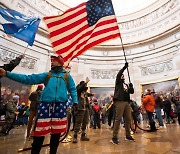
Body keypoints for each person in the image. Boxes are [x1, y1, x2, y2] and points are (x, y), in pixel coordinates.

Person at [0, 55, 78, 154]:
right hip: (45, 105)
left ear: (60, 62)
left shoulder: (67, 76)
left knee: (56, 135)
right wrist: (7, 74)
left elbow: (73, 89)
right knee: (39, 134)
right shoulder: (47, 75)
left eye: (54, 61)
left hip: (60, 106)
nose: (52, 63)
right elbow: (28, 79)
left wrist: (75, 102)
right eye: (51, 61)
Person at [111, 62, 135, 145]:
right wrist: (125, 67)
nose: (123, 75)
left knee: (128, 119)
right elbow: (119, 74)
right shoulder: (118, 83)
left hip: (126, 102)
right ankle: (114, 137)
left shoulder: (126, 84)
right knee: (118, 119)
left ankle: (128, 135)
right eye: (122, 75)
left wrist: (131, 87)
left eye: (123, 75)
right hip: (119, 102)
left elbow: (131, 92)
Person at [72, 78, 94, 143]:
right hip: (80, 108)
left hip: (85, 108)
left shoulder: (84, 93)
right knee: (78, 122)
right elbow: (80, 88)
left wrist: (92, 94)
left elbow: (88, 94)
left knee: (85, 122)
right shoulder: (78, 91)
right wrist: (86, 82)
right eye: (84, 86)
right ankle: (75, 136)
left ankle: (83, 135)